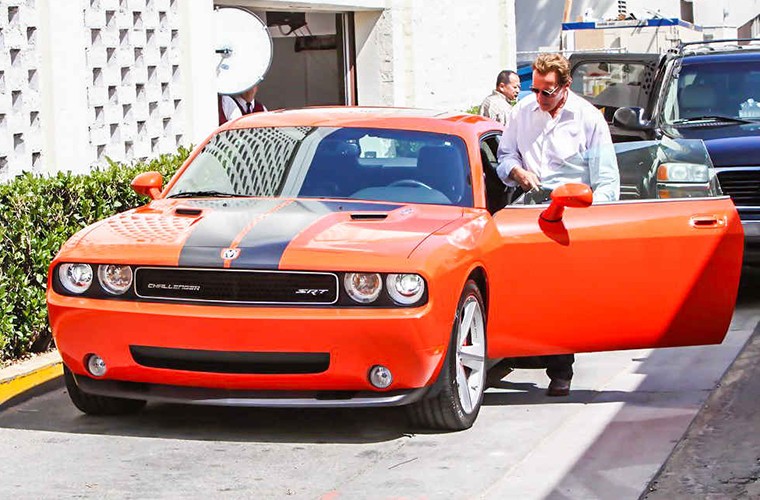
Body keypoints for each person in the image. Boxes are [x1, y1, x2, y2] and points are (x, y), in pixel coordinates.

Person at [493, 53, 620, 397]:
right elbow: (505, 157)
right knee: (526, 290)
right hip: (528, 208)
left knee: (560, 293)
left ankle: (561, 369)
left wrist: (596, 222)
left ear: (565, 87)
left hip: (570, 211)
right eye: (534, 89)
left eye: (546, 91)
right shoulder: (522, 112)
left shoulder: (587, 118)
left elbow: (607, 180)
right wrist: (517, 172)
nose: (539, 97)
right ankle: (519, 353)